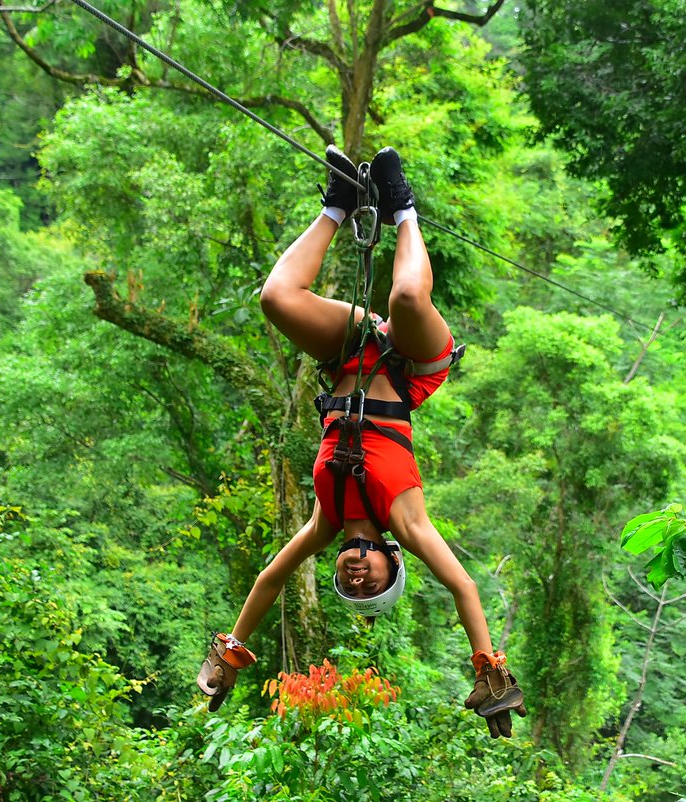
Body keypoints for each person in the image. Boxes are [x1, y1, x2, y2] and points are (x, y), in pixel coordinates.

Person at [197, 145, 527, 738]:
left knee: (275, 299)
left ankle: (338, 206)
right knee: (404, 299)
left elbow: (269, 579)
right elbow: (464, 585)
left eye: (351, 584)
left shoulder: (327, 520)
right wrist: (489, 667)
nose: (357, 577)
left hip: (349, 353)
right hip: (412, 368)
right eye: (371, 580)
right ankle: (404, 213)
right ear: (389, 559)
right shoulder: (405, 520)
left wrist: (233, 651)